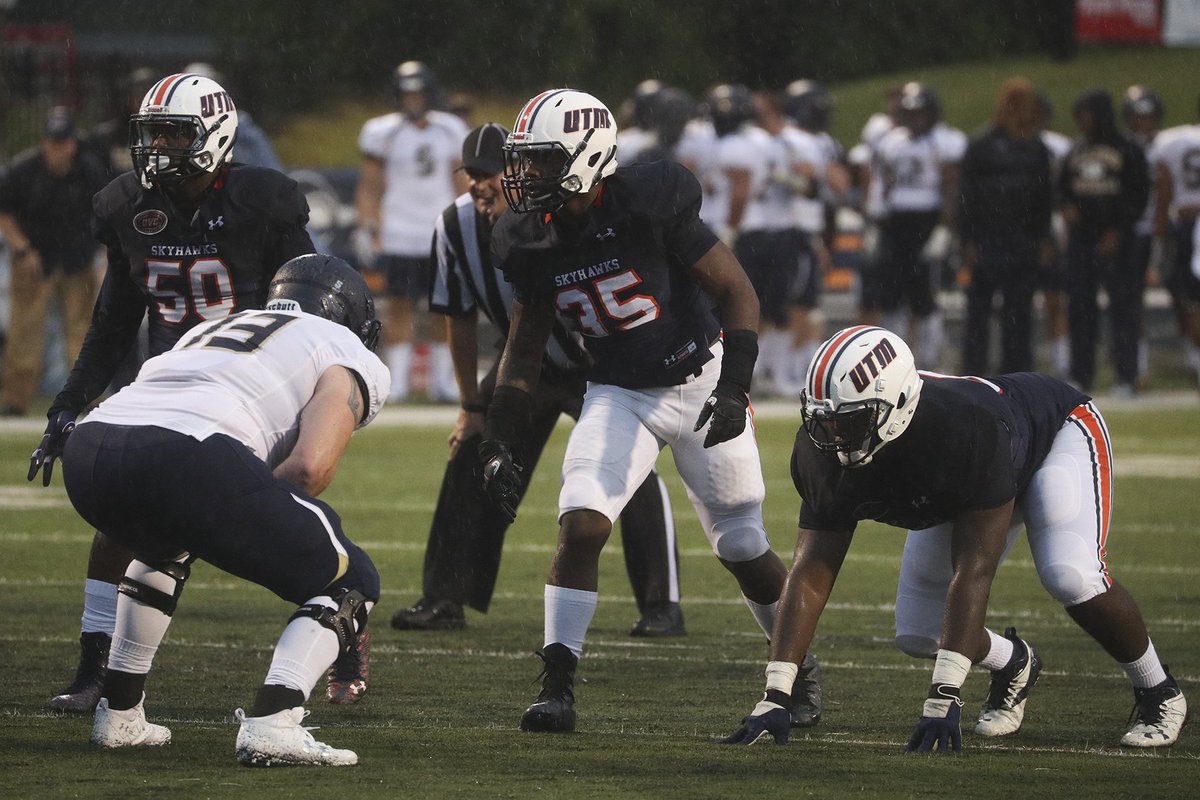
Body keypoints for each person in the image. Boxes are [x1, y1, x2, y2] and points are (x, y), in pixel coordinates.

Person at [483, 89, 821, 734]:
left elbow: (737, 290)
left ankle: (796, 673)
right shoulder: (529, 238)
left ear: (587, 156)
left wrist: (735, 387)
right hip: (619, 391)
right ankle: (557, 685)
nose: (526, 176)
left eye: (543, 160)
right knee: (582, 524)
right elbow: (524, 345)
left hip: (701, 379)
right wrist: (498, 432)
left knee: (743, 543)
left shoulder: (646, 201)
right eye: (523, 160)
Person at [25, 73, 346, 713]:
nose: (158, 147)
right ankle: (96, 669)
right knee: (124, 522)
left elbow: (313, 294)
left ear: (215, 135)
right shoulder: (128, 207)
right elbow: (114, 322)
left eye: (174, 132)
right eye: (151, 134)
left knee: (291, 502)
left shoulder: (263, 201)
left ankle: (344, 629)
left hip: (256, 389)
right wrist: (67, 406)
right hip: (168, 382)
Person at [720, 325, 1187, 751]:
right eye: (825, 420)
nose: (833, 435)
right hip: (964, 479)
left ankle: (1158, 688)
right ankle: (1013, 661)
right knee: (918, 633)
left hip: (1054, 434)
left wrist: (944, 696)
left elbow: (974, 571)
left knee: (1070, 574)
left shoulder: (964, 430)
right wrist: (775, 694)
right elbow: (811, 573)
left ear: (897, 404)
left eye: (849, 421)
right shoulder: (823, 453)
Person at [60, 255, 390, 766]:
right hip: (186, 451)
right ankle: (273, 722)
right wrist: (234, 514)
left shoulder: (212, 326)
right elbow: (309, 469)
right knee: (353, 578)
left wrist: (216, 511)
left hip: (89, 450)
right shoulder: (342, 347)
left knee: (165, 543)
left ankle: (120, 713)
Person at [390, 123, 686, 636]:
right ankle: (446, 595)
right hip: (525, 361)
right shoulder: (455, 227)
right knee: (474, 454)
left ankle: (661, 604)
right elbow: (457, 316)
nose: (481, 185)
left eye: (491, 173)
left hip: (602, 363)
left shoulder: (558, 213)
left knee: (628, 468)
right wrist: (469, 404)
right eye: (472, 175)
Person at [354, 60, 470, 403]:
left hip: (440, 227)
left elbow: (459, 178)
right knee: (400, 305)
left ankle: (444, 382)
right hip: (400, 230)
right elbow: (370, 184)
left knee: (443, 307)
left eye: (418, 93)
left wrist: (467, 221)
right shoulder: (382, 131)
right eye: (406, 94)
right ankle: (399, 382)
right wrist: (366, 225)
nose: (412, 100)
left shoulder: (449, 128)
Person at [0, 107, 108, 416]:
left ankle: (86, 396)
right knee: (24, 331)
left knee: (83, 332)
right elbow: (4, 214)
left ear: (73, 143)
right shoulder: (24, 170)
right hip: (35, 259)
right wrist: (22, 250)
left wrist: (101, 256)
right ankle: (15, 401)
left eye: (62, 142)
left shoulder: (89, 171)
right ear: (44, 142)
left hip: (77, 259)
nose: (57, 148)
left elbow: (105, 214)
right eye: (52, 141)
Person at [863, 83, 965, 369]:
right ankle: (892, 361)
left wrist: (945, 228)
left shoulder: (946, 140)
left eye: (921, 113)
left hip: (927, 220)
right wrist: (876, 220)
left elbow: (951, 186)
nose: (915, 119)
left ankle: (931, 360)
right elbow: (884, 183)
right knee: (892, 294)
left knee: (925, 293)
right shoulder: (892, 140)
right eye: (910, 113)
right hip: (896, 222)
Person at [959, 78, 1055, 375]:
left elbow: (1044, 198)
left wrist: (1043, 238)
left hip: (1022, 238)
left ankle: (1016, 373)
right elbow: (968, 196)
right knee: (980, 309)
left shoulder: (1036, 148)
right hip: (989, 237)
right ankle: (975, 371)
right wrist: (968, 239)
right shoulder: (982, 145)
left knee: (1019, 309)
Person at [1060, 89, 1150, 395]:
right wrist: (1067, 206)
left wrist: (1117, 229)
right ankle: (1080, 375)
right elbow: (1061, 188)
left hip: (1119, 239)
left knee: (1124, 309)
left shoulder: (1127, 149)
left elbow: (1138, 195)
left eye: (1085, 114)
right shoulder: (1076, 150)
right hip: (1082, 239)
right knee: (1081, 309)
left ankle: (1126, 376)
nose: (1082, 122)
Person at [1149, 95, 1200, 389]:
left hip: (1186, 226)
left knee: (1190, 302)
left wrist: (1159, 234)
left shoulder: (1173, 141)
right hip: (1187, 228)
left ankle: (1196, 363)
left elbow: (1164, 191)